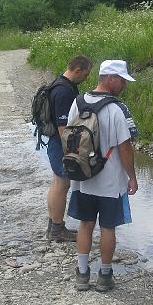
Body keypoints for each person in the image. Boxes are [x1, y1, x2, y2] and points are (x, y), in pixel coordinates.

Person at [67, 59, 138, 292]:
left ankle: (82, 274)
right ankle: (105, 276)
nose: (124, 86)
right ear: (110, 79)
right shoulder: (117, 109)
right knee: (108, 228)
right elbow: (125, 148)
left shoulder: (78, 102)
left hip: (83, 179)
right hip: (110, 182)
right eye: (122, 81)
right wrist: (132, 177)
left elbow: (69, 137)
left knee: (85, 224)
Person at [46, 55, 92, 242]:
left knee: (57, 182)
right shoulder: (64, 91)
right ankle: (57, 229)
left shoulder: (58, 84)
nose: (86, 78)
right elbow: (63, 127)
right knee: (62, 184)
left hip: (54, 141)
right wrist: (73, 151)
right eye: (86, 74)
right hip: (60, 142)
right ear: (78, 70)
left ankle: (53, 225)